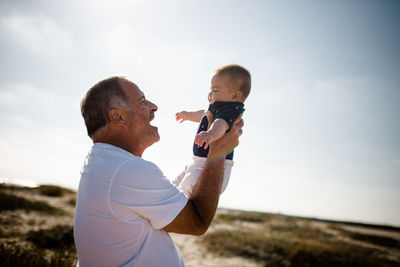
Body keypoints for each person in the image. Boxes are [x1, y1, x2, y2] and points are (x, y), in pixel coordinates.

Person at [73, 76, 243, 267]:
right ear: (118, 116)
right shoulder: (127, 170)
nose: (153, 107)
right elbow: (197, 221)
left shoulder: (101, 162)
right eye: (142, 101)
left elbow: (169, 210)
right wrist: (218, 153)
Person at [174, 64, 251, 196]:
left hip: (212, 164)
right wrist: (188, 115)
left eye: (215, 90)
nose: (210, 94)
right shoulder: (218, 108)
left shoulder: (230, 110)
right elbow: (204, 114)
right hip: (199, 160)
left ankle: (174, 212)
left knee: (184, 191)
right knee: (174, 185)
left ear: (236, 96)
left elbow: (220, 124)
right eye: (211, 89)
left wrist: (210, 134)